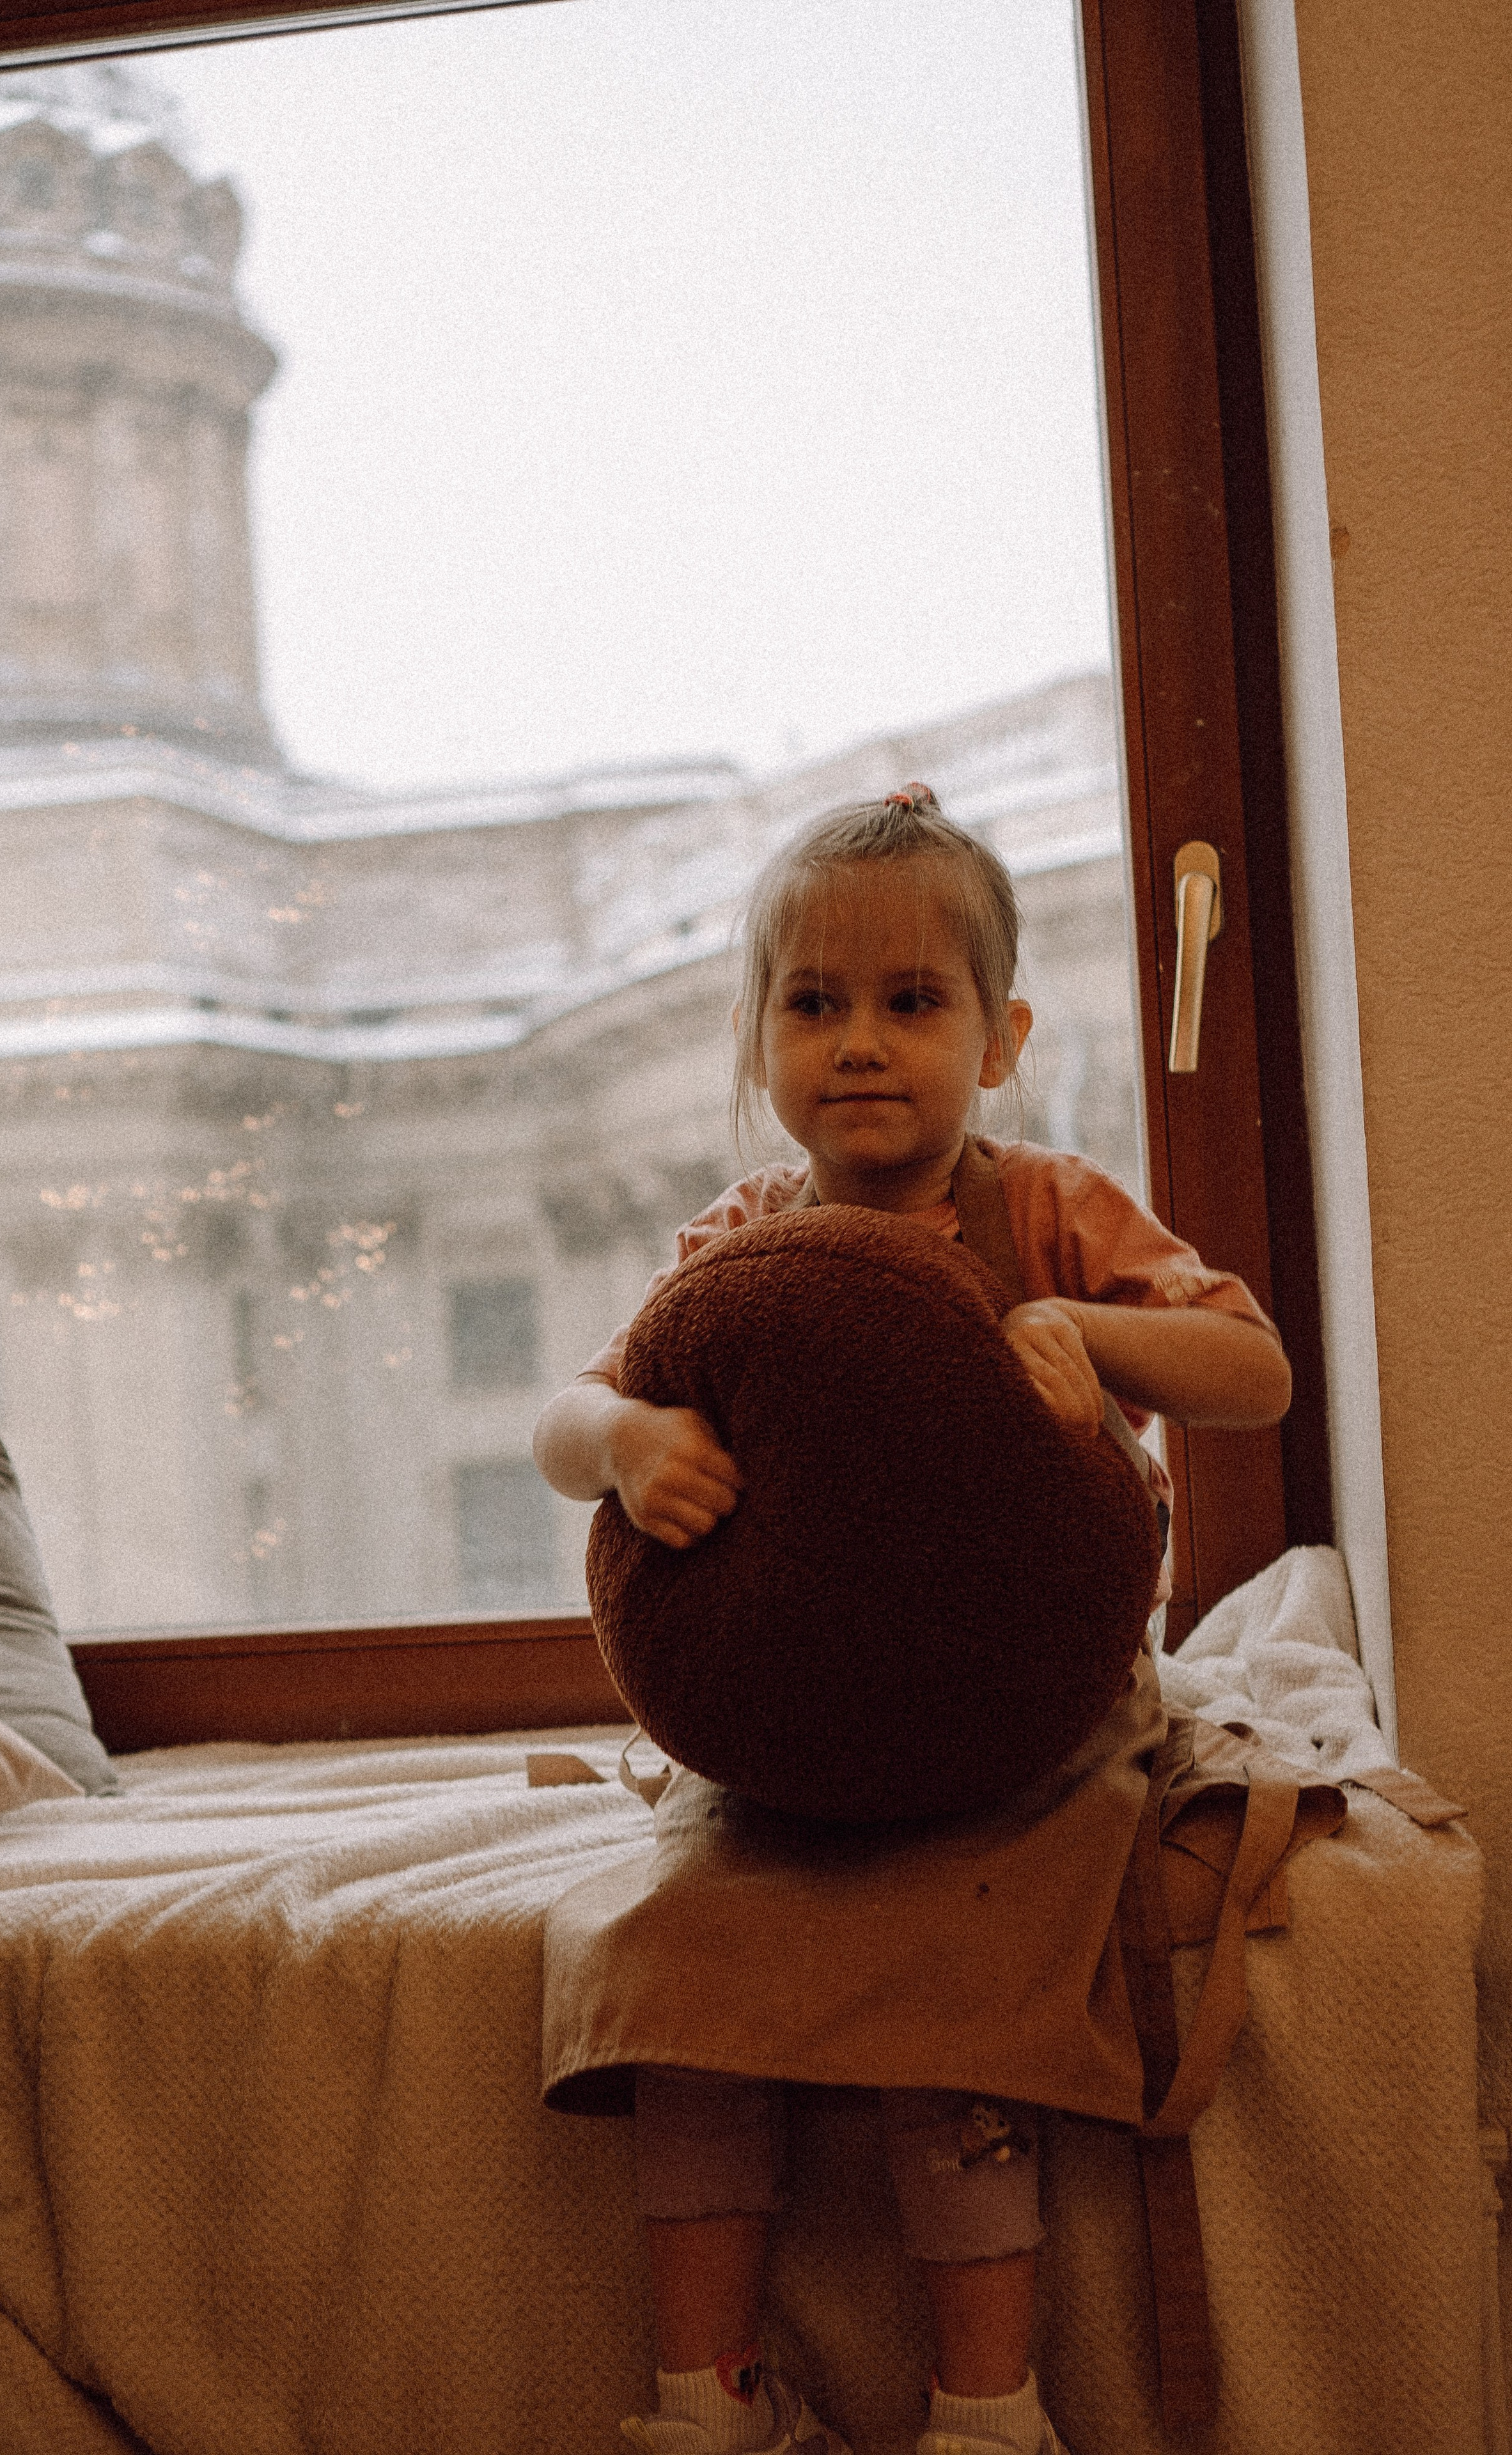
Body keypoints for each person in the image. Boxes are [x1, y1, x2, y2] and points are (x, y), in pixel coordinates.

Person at [532, 785, 1291, 2455]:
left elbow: (1254, 1372)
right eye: (814, 1003)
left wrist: (1086, 1332)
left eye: (913, 1001)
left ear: (1000, 1040)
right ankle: (707, 2402)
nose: (861, 1043)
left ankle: (988, 2409)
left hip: (1031, 1720)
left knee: (962, 2006)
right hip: (789, 1733)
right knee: (686, 2002)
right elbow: (561, 1423)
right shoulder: (744, 1244)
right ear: (759, 1042)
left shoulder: (1050, 1208)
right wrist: (634, 1443)